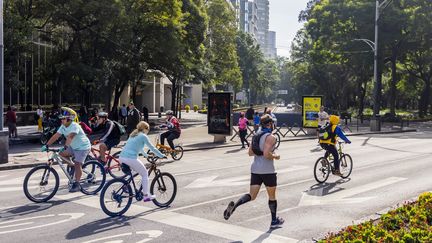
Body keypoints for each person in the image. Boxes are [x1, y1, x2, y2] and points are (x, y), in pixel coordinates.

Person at [223, 114, 284, 229]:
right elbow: (266, 154)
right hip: (268, 171)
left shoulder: (256, 135)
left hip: (255, 169)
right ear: (270, 124)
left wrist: (261, 152)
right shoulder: (271, 137)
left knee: (252, 195)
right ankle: (274, 221)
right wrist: (275, 156)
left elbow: (250, 153)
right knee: (272, 196)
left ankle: (235, 205)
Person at [43, 107, 91, 192]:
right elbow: (56, 135)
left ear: (69, 119)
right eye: (61, 119)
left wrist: (65, 146)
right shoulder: (63, 126)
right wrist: (47, 145)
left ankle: (77, 184)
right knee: (61, 154)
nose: (61, 120)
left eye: (63, 119)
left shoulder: (74, 126)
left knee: (77, 164)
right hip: (73, 147)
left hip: (83, 147)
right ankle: (72, 165)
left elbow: (70, 137)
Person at [119, 121, 165, 202]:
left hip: (122, 157)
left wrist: (146, 155)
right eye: (148, 129)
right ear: (145, 129)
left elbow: (139, 148)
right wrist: (161, 155)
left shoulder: (133, 134)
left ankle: (125, 186)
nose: (148, 131)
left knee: (133, 172)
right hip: (130, 158)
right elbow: (152, 148)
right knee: (144, 173)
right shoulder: (143, 136)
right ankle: (146, 196)